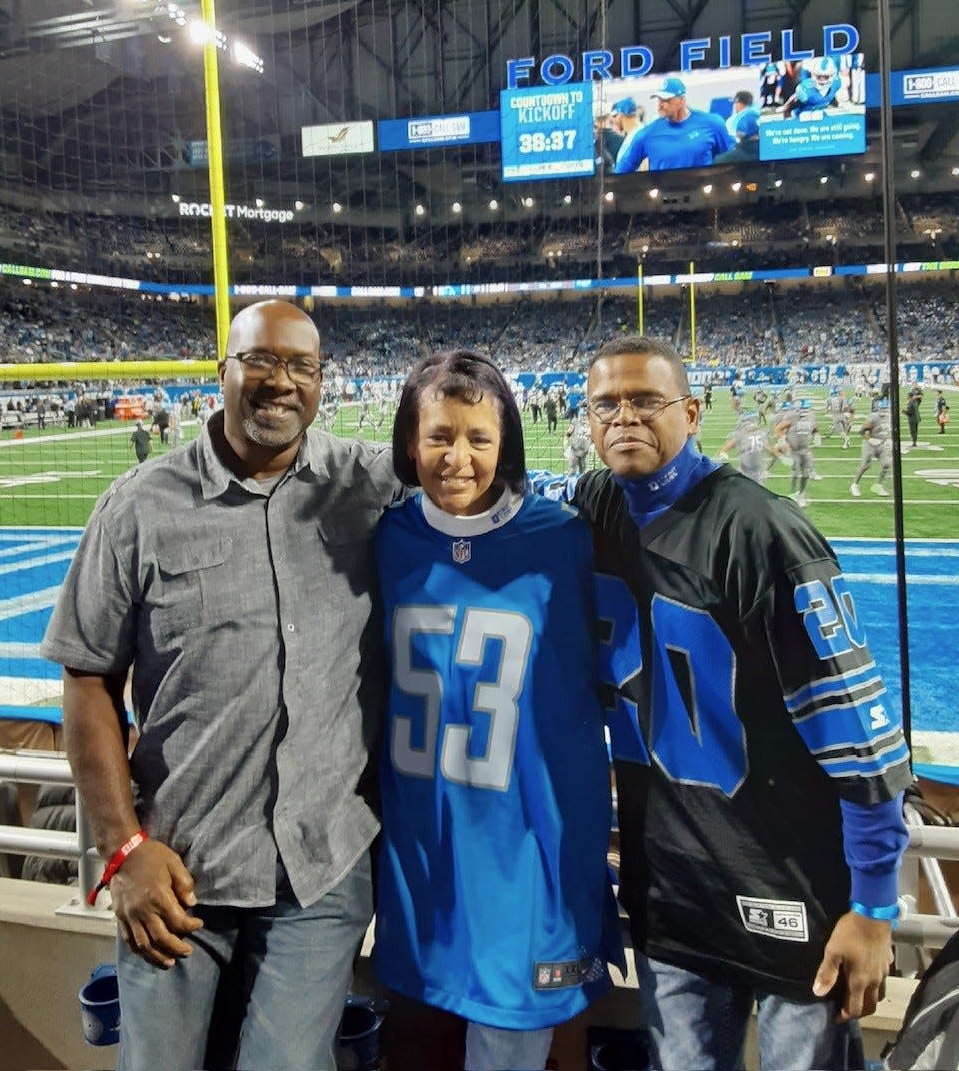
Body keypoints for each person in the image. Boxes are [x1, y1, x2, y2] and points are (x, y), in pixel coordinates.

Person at [40, 299, 399, 1071]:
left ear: (322, 381)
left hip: (320, 866)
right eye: (260, 360)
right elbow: (86, 680)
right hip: (178, 869)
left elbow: (474, 480)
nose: (280, 382)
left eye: (301, 366)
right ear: (223, 372)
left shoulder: (364, 486)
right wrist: (121, 848)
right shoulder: (137, 505)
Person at [540, 335, 911, 1071]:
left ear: (693, 409)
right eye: (605, 404)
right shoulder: (590, 508)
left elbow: (860, 734)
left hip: (786, 881)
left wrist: (873, 905)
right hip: (671, 883)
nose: (624, 419)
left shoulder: (762, 530)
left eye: (646, 401)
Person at [373, 350, 617, 1071]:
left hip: (528, 855)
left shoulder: (564, 538)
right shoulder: (386, 538)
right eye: (440, 436)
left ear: (505, 443)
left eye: (479, 439)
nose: (458, 458)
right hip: (425, 850)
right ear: (409, 443)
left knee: (509, 1048)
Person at [613, 77, 735, 173]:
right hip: (664, 200)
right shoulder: (647, 134)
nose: (660, 105)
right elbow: (622, 169)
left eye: (666, 100)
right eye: (659, 99)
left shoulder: (712, 123)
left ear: (681, 100)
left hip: (703, 199)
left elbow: (732, 159)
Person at [772, 398, 821, 508]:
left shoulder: (811, 417)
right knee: (795, 472)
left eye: (806, 409)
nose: (805, 411)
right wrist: (783, 440)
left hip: (806, 449)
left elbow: (814, 428)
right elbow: (778, 429)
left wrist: (817, 434)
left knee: (806, 473)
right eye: (803, 409)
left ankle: (801, 494)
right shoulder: (792, 417)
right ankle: (793, 492)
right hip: (794, 450)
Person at [717, 409, 778, 485]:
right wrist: (768, 469)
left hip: (747, 473)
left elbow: (723, 450)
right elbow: (774, 454)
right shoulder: (762, 434)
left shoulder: (741, 434)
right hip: (755, 473)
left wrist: (723, 457)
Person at [850, 400, 893, 496]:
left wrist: (890, 440)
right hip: (870, 444)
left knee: (887, 464)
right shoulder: (874, 417)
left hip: (882, 444)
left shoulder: (891, 417)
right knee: (865, 466)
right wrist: (869, 439)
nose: (885, 412)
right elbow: (862, 431)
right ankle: (854, 485)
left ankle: (878, 486)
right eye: (884, 409)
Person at [713, 89, 761, 163]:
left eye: (735, 103)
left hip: (739, 153)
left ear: (739, 103)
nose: (734, 105)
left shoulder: (735, 119)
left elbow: (733, 139)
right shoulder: (758, 113)